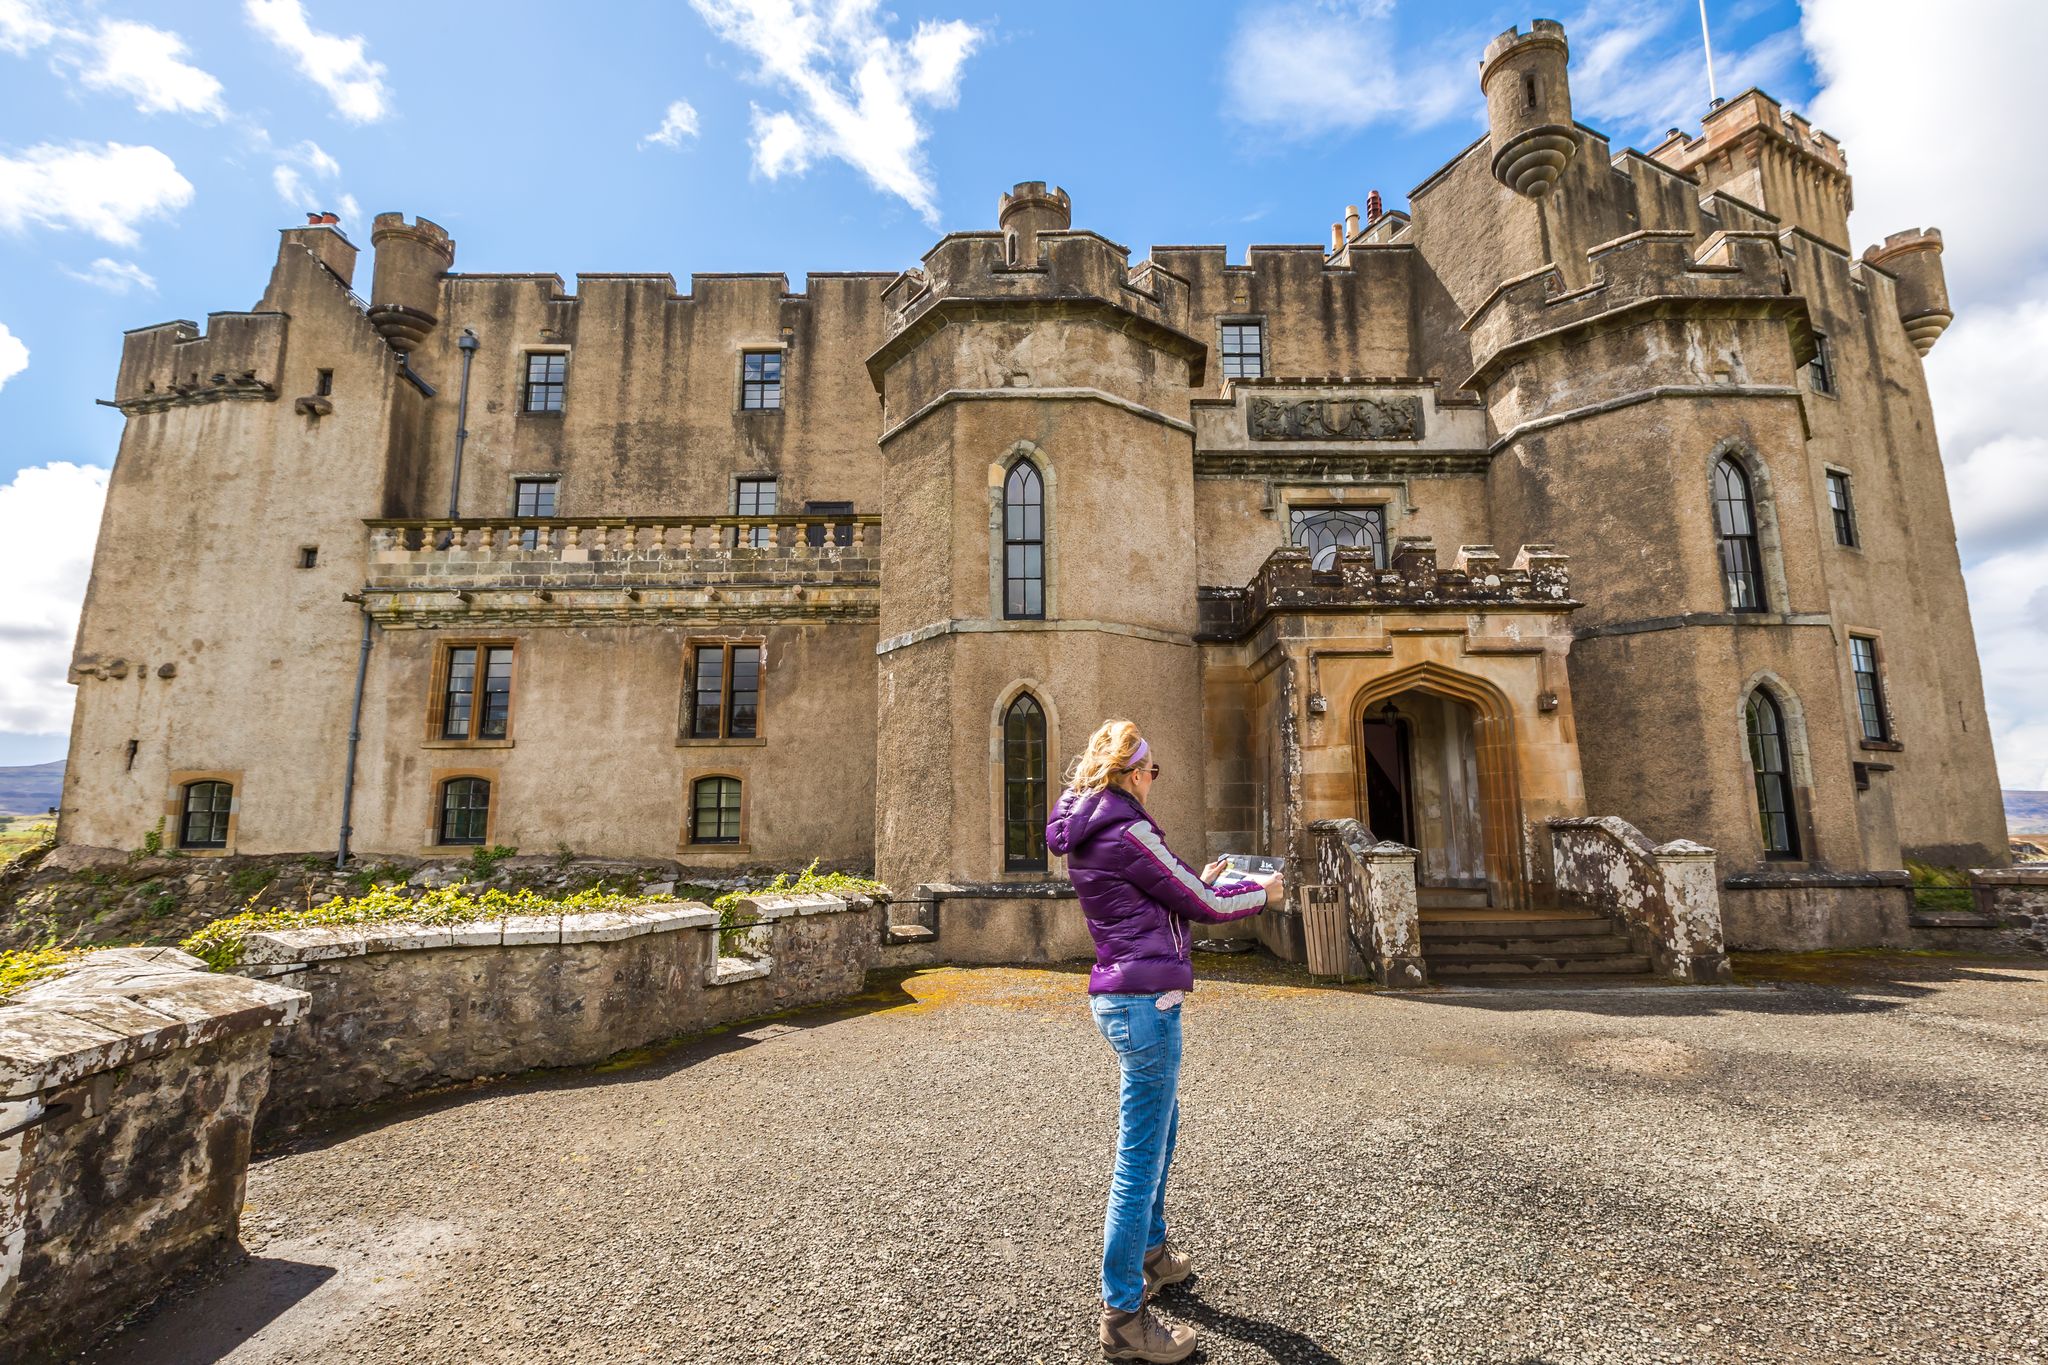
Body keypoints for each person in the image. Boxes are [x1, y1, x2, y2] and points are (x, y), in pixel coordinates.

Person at [1045, 719, 1283, 1363]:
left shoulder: (1098, 827)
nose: (1154, 782)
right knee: (1139, 1158)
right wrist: (1261, 891)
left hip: (1125, 997)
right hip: (1145, 1005)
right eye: (1151, 771)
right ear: (1129, 772)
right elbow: (1204, 903)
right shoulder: (1127, 828)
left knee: (1161, 1129)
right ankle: (1123, 1318)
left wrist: (1204, 881)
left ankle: (1151, 1254)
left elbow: (1173, 891)